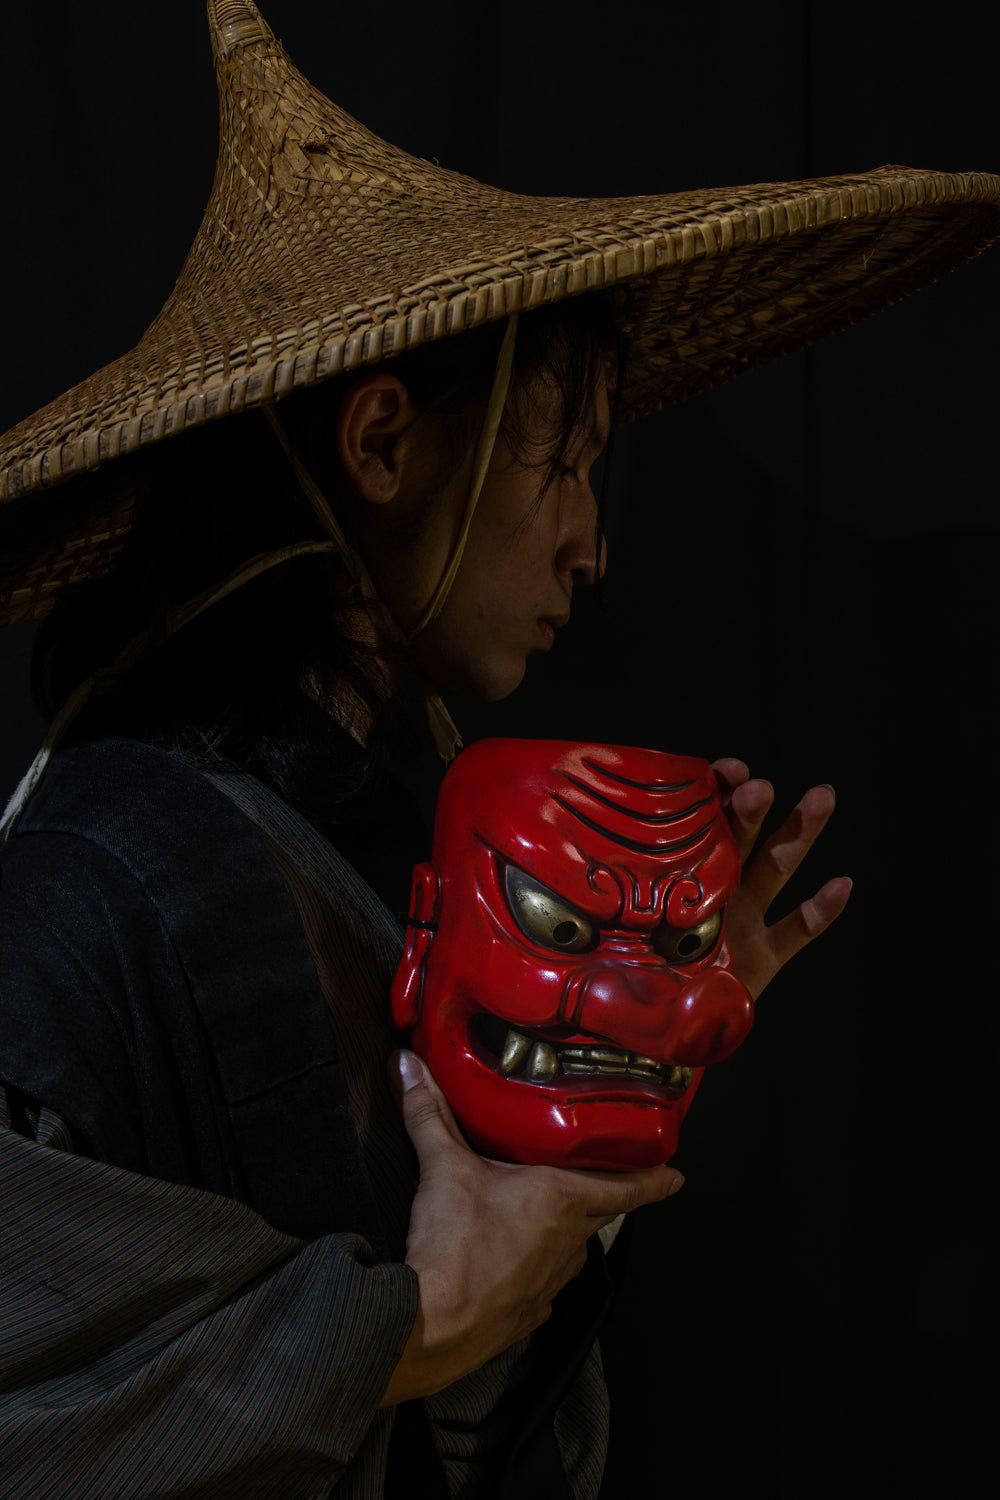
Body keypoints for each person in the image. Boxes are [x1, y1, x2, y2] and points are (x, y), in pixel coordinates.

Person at [0, 3, 996, 1496]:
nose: (594, 545)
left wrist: (606, 1066)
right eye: (568, 459)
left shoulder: (394, 847)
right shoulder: (90, 882)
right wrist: (425, 1314)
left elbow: (466, 1431)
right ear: (386, 444)